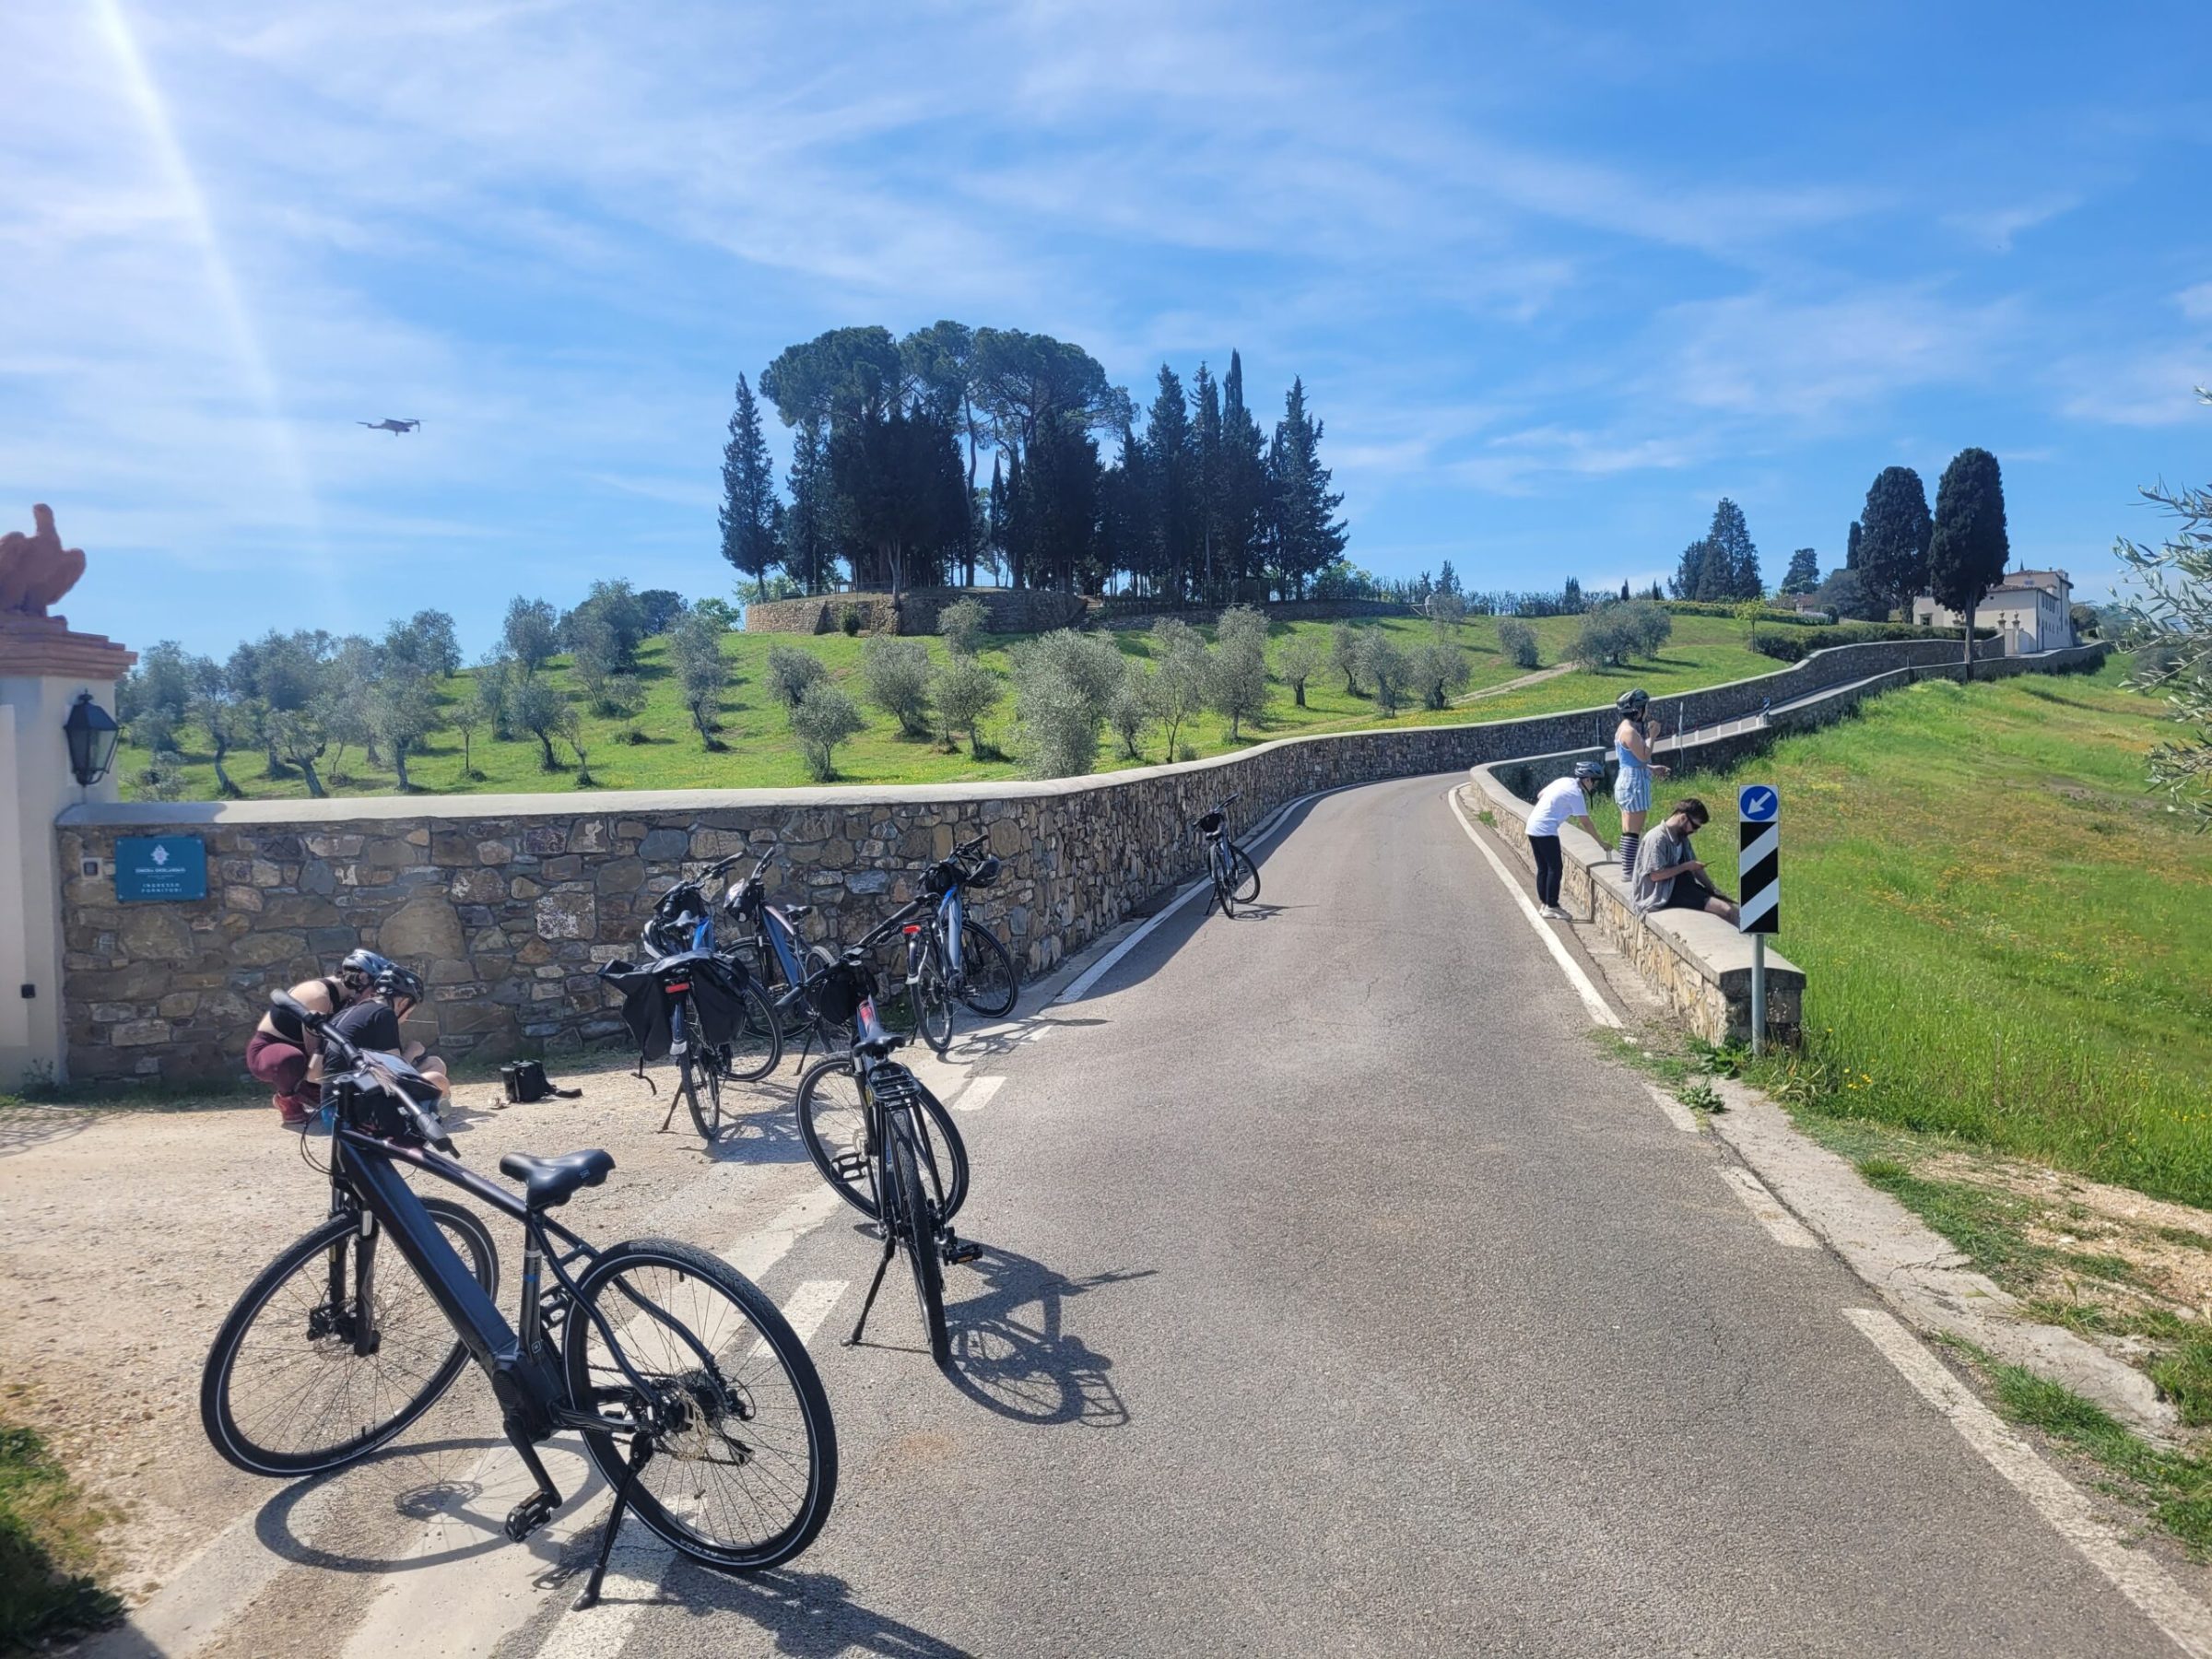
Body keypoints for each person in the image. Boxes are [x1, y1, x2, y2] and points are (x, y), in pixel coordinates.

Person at [243, 948, 385, 1128]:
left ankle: (306, 1090)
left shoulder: (348, 998)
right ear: (362, 978)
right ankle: (287, 1098)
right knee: (293, 1059)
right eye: (374, 990)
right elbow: (315, 1051)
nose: (374, 996)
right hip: (269, 1051)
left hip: (304, 1050)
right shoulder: (319, 995)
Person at [328, 962, 452, 1097]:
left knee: (435, 1063)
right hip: (359, 1095)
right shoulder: (384, 1014)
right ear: (403, 1003)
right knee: (437, 1079)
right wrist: (412, 1051)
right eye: (408, 1013)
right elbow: (393, 1072)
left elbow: (314, 1074)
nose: (405, 1019)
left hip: (333, 1096)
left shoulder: (349, 1012)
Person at [1630, 798, 1740, 924]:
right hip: (1664, 894)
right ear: (1683, 817)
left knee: (1732, 909)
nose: (1694, 831)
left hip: (1683, 888)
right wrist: (1686, 866)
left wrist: (1712, 888)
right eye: (1695, 826)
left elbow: (1695, 866)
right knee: (1726, 910)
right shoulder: (1657, 838)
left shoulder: (1681, 837)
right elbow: (1655, 875)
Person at [1525, 759, 1610, 919]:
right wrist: (1601, 843)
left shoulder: (1564, 781)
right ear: (1587, 780)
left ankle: (1544, 905)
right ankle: (1552, 905)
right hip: (1546, 829)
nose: (1595, 786)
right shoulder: (1576, 794)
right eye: (1595, 782)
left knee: (1543, 868)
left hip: (1532, 825)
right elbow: (1586, 823)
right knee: (1555, 867)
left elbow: (1540, 794)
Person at [1611, 688, 1670, 877]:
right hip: (1634, 783)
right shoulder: (1629, 731)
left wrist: (1652, 769)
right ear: (1637, 710)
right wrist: (1653, 736)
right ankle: (1628, 871)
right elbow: (1644, 756)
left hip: (1629, 777)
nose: (1647, 712)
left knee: (1629, 827)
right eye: (1645, 708)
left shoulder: (1623, 729)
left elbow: (1632, 759)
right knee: (1633, 829)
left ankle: (1628, 868)